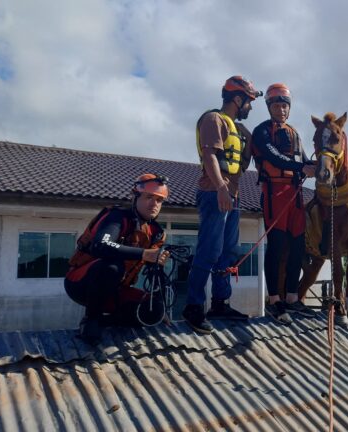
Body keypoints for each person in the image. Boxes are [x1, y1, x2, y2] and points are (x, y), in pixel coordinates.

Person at [183, 75, 261, 334]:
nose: (250, 107)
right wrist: (221, 189)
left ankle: (220, 302)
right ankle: (194, 307)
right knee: (210, 249)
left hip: (233, 195)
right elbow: (210, 156)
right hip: (214, 193)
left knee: (228, 252)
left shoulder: (239, 129)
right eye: (249, 102)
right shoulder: (213, 119)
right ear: (237, 99)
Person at [65, 174, 172, 344]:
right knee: (112, 267)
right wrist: (144, 254)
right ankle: (91, 320)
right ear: (135, 197)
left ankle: (106, 321)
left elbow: (154, 276)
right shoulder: (117, 217)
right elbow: (101, 245)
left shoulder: (156, 232)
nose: (154, 204)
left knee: (154, 311)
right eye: (149, 197)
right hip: (82, 282)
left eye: (159, 200)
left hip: (116, 289)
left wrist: (159, 307)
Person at [252, 83, 317, 324]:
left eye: (284, 106)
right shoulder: (262, 131)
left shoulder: (294, 132)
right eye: (277, 105)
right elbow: (272, 156)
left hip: (296, 194)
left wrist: (319, 165)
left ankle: (292, 298)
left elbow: (304, 159)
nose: (281, 110)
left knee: (297, 246)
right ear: (269, 107)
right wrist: (302, 167)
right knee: (277, 246)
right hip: (274, 192)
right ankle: (274, 301)